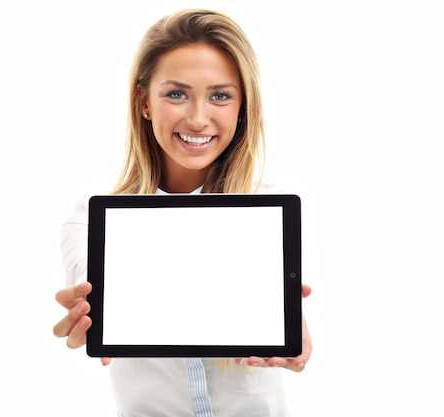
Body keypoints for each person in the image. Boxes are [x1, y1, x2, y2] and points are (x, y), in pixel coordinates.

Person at [53, 8, 312, 416]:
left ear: (242, 106)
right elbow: (89, 293)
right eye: (176, 94)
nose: (197, 117)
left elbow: (295, 341)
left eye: (220, 96)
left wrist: (294, 347)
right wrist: (88, 314)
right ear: (145, 103)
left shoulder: (270, 212)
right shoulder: (90, 216)